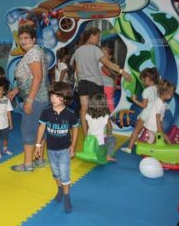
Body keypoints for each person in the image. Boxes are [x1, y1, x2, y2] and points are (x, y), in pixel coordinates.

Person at [73, 27, 131, 136]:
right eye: (98, 37)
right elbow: (108, 63)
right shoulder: (95, 49)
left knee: (84, 110)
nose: (98, 39)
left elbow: (77, 70)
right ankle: (109, 133)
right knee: (103, 109)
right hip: (95, 84)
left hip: (82, 84)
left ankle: (87, 136)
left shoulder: (78, 50)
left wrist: (78, 83)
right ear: (92, 36)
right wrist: (122, 71)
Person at [7, 25, 49, 172]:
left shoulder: (32, 54)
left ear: (33, 39)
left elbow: (38, 77)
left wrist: (29, 101)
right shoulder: (37, 51)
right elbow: (30, 79)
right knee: (39, 130)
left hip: (35, 99)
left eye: (26, 38)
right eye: (21, 38)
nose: (23, 41)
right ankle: (39, 160)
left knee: (28, 130)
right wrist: (15, 91)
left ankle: (28, 164)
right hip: (41, 98)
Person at [34, 82, 79, 212]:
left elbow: (75, 128)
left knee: (64, 173)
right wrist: (38, 145)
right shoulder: (46, 111)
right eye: (52, 95)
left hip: (64, 148)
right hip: (51, 148)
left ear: (65, 98)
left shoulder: (70, 113)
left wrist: (73, 145)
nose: (53, 98)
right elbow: (41, 127)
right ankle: (60, 189)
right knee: (56, 173)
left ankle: (66, 197)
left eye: (57, 96)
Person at [121, 67, 159, 153]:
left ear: (148, 79)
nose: (142, 82)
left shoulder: (146, 91)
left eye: (143, 80)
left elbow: (144, 105)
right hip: (154, 115)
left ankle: (129, 149)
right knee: (152, 132)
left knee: (136, 130)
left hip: (146, 115)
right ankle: (153, 149)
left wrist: (134, 100)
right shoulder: (158, 88)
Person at [128, 79, 175, 148]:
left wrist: (160, 123)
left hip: (151, 123)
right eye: (171, 94)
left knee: (152, 137)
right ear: (165, 93)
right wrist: (159, 126)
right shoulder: (160, 103)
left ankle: (146, 148)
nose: (172, 95)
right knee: (163, 135)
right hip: (154, 124)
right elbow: (157, 115)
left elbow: (159, 114)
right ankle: (171, 146)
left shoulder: (160, 101)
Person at [86, 93, 117, 162]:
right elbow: (110, 128)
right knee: (113, 139)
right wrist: (109, 134)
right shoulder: (105, 116)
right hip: (100, 144)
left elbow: (89, 126)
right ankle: (108, 156)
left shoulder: (88, 114)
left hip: (89, 141)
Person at [100, 46, 117, 113]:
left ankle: (113, 118)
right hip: (101, 87)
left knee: (110, 105)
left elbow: (115, 77)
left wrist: (113, 89)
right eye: (101, 54)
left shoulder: (113, 65)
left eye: (105, 54)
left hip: (109, 88)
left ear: (110, 57)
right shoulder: (99, 64)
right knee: (101, 105)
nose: (102, 56)